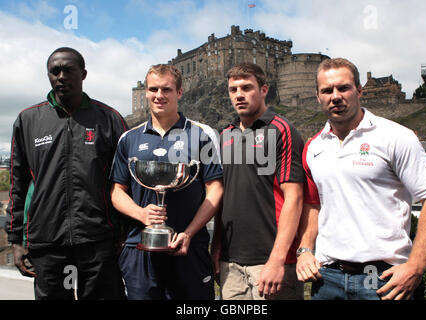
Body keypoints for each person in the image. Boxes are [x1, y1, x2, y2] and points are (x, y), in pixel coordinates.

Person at [296, 57, 426, 300]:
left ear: (359, 90)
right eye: (327, 90)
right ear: (317, 96)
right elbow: (313, 205)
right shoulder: (313, 146)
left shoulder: (396, 136)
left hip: (384, 278)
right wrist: (304, 251)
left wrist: (416, 266)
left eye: (343, 88)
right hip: (328, 278)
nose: (335, 96)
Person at [5, 47, 128, 300]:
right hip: (46, 241)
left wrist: (124, 234)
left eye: (68, 70)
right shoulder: (28, 120)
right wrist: (16, 239)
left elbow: (125, 182)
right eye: (54, 71)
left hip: (99, 240)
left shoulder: (109, 118)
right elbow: (18, 184)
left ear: (83, 74)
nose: (61, 76)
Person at [110, 64, 223, 300]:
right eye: (153, 89)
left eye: (166, 89)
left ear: (179, 92)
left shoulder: (203, 134)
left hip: (189, 249)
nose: (159, 96)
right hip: (139, 248)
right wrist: (141, 214)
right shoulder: (128, 138)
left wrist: (189, 233)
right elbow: (116, 191)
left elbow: (215, 190)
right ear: (146, 93)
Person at [212, 63, 305, 300]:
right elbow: (223, 196)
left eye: (246, 88)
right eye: (233, 90)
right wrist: (216, 251)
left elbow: (294, 197)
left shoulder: (281, 129)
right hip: (231, 263)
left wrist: (277, 260)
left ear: (264, 90)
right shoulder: (226, 134)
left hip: (270, 261)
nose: (239, 95)